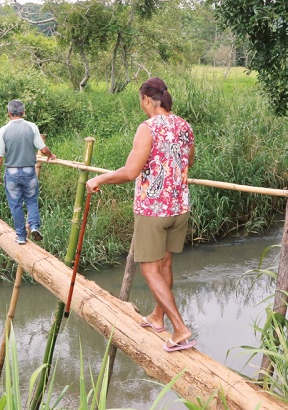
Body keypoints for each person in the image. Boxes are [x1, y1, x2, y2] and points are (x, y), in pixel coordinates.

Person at [85, 77, 196, 352]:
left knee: (148, 268)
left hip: (153, 210)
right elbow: (188, 161)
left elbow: (130, 171)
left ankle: (180, 329)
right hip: (179, 207)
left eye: (141, 101)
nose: (141, 106)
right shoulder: (184, 126)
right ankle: (158, 317)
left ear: (147, 99)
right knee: (165, 265)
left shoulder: (147, 128)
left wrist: (99, 179)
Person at [0, 99, 56, 245]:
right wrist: (50, 156)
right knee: (31, 200)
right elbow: (43, 148)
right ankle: (34, 226)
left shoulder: (3, 130)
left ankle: (21, 236)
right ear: (24, 112)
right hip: (29, 171)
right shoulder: (32, 127)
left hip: (12, 173)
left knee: (15, 204)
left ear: (9, 113)